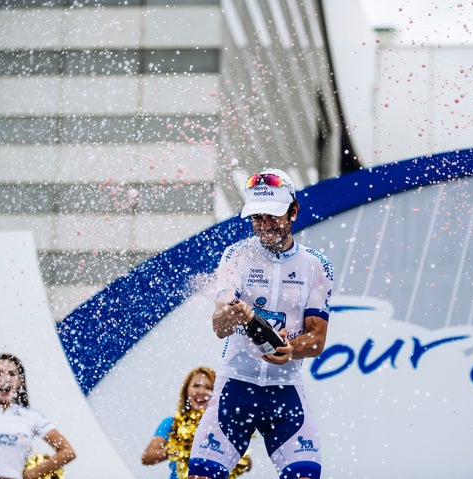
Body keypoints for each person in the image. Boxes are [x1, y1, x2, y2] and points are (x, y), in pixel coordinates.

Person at [187, 168, 334, 479]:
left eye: (272, 216)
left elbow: (317, 340)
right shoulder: (236, 256)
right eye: (257, 218)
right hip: (236, 387)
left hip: (284, 393)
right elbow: (219, 326)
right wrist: (231, 313)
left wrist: (291, 348)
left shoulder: (316, 265)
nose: (264, 225)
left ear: (293, 211)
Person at [142, 367, 251, 479]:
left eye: (208, 387)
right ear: (186, 391)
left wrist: (218, 453)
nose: (201, 392)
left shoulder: (223, 426)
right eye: (196, 385)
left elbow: (247, 464)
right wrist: (181, 450)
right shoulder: (171, 423)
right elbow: (147, 457)